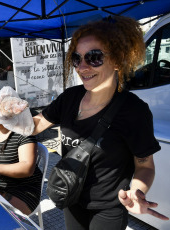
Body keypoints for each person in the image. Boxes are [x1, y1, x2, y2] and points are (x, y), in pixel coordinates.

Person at [32, 16, 169, 229]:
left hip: (108, 209)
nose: (82, 67)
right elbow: (36, 125)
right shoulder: (70, 98)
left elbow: (145, 165)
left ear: (117, 60)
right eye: (77, 58)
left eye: (93, 57)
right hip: (71, 197)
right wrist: (9, 117)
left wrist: (137, 191)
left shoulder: (134, 111)